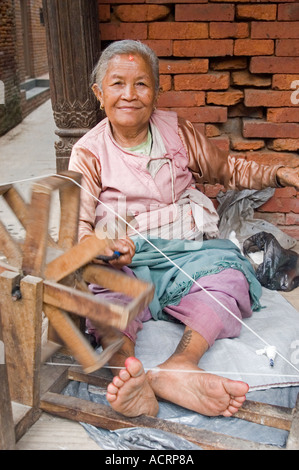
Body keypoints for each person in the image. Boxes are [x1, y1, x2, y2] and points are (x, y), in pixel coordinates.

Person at [69, 40, 299, 419]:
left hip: (188, 252)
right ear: (99, 93)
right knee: (105, 300)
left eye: (141, 84)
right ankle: (131, 375)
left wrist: (277, 172)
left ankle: (180, 365)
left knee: (232, 277)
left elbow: (229, 169)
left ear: (157, 93)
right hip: (124, 259)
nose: (129, 95)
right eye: (117, 84)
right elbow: (79, 229)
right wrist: (106, 249)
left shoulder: (177, 131)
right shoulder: (88, 152)